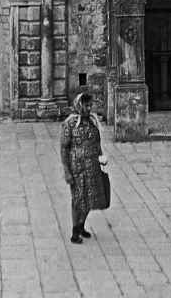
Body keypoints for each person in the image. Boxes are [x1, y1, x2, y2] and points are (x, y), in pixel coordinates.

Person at [60, 92, 108, 244]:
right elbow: (64, 148)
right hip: (77, 167)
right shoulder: (70, 123)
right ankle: (75, 232)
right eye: (85, 105)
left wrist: (101, 158)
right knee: (77, 199)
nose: (88, 108)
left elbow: (97, 143)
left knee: (90, 198)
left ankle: (81, 225)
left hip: (93, 165)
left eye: (89, 105)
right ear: (79, 105)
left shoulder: (93, 122)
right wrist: (67, 171)